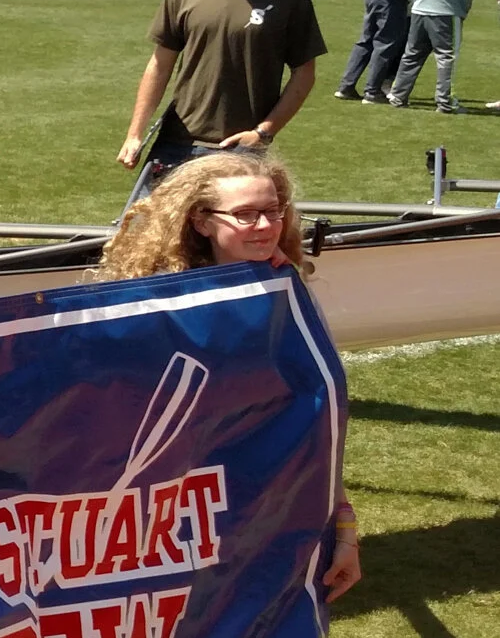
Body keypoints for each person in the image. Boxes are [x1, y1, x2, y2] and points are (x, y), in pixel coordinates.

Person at [91, 152, 360, 600]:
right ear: (200, 222)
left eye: (274, 211)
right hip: (171, 531)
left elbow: (316, 423)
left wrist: (345, 527)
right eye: (245, 215)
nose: (266, 226)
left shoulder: (289, 299)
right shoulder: (150, 308)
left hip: (270, 518)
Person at [117, 0, 325, 203]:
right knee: (138, 240)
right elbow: (159, 65)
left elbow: (305, 74)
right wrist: (135, 134)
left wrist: (263, 132)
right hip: (176, 143)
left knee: (230, 244)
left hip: (242, 150)